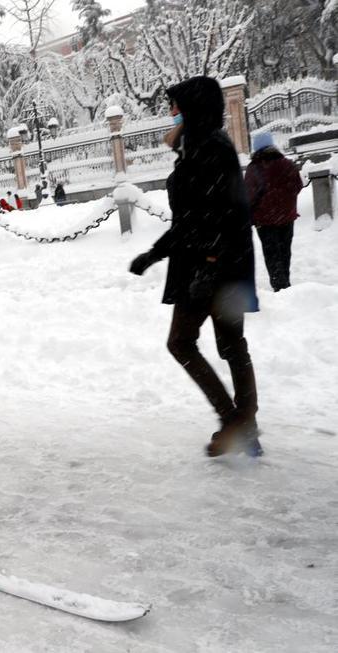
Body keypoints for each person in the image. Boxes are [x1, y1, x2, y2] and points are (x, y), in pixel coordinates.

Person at [128, 75, 261, 458]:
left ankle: (234, 420)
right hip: (218, 260)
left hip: (213, 263)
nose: (170, 113)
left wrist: (207, 260)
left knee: (182, 341)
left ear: (192, 108)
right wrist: (154, 255)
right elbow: (191, 218)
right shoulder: (199, 146)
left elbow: (216, 214)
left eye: (174, 106)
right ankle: (244, 424)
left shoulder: (208, 147)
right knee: (231, 345)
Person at [245, 131, 303, 292]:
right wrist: (285, 204)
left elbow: (248, 196)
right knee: (285, 250)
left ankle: (279, 285)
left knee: (272, 254)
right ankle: (285, 281)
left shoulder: (254, 168)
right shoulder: (288, 164)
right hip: (287, 216)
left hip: (265, 220)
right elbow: (298, 186)